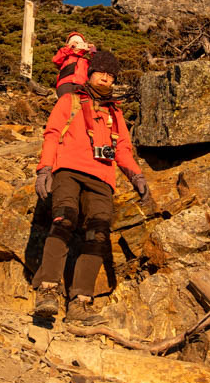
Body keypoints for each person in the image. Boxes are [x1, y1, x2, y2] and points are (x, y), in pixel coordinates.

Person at [33, 49, 149, 324]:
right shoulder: (69, 101)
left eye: (111, 77)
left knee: (97, 235)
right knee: (63, 220)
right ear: (90, 73)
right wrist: (45, 169)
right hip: (68, 171)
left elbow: (122, 149)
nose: (106, 80)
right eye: (101, 74)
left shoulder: (115, 113)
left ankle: (80, 305)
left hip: (102, 180)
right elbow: (51, 135)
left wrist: (137, 177)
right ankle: (48, 292)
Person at [52, 32, 95, 98]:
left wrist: (93, 50)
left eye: (79, 43)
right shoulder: (65, 57)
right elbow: (56, 60)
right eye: (74, 44)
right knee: (66, 104)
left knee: (82, 106)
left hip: (82, 85)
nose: (77, 46)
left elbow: (97, 65)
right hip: (65, 84)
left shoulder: (86, 60)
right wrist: (68, 48)